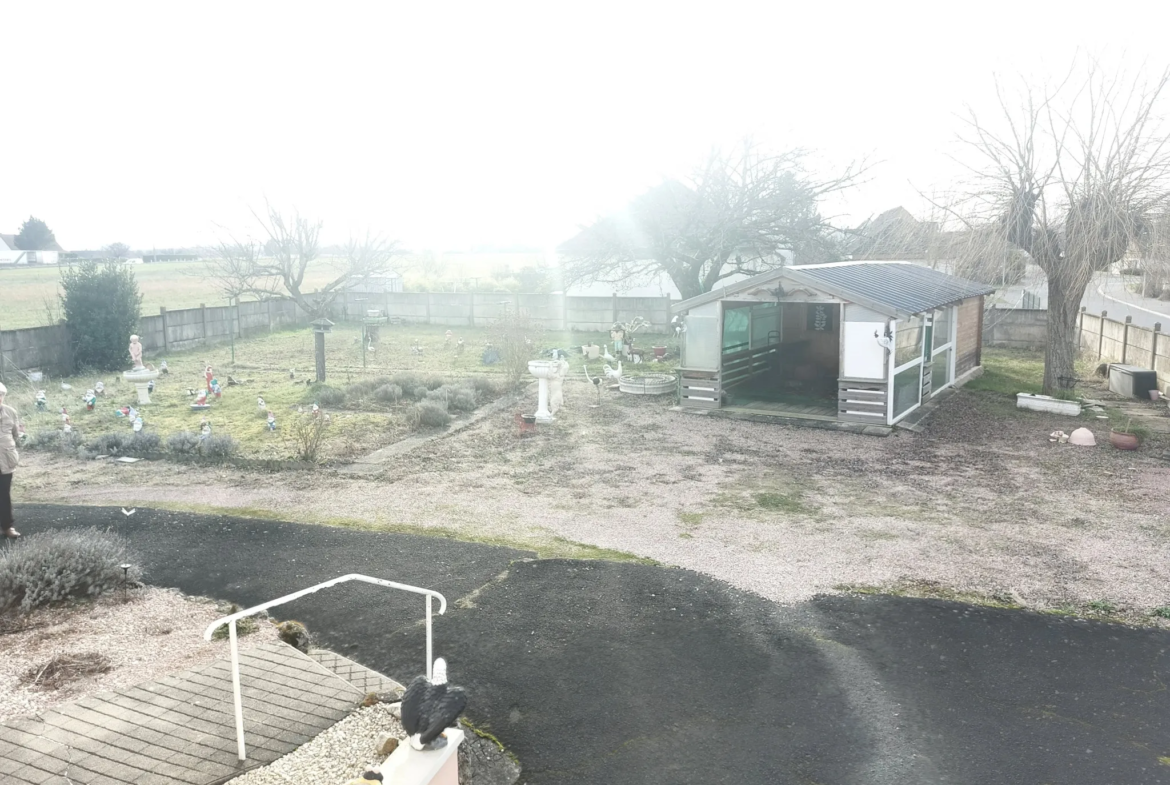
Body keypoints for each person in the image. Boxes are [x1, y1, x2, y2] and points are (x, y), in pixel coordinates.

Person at [0, 382, 21, 538]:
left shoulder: (11, 412)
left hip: (5, 461)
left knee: (4, 495)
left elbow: (15, 434)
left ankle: (7, 527)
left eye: (1, 394)